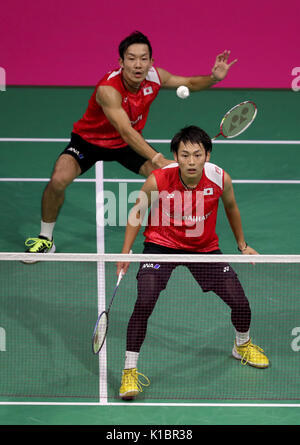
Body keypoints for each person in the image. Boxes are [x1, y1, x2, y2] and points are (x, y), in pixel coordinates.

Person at [24, 31, 237, 257]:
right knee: (58, 179)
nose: (138, 65)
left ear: (151, 62)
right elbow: (125, 131)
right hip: (89, 141)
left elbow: (189, 83)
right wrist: (157, 158)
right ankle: (45, 239)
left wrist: (214, 78)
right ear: (121, 62)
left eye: (143, 58)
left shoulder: (155, 77)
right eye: (132, 58)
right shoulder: (108, 89)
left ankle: (171, 235)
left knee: (172, 177)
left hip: (126, 146)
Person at [117, 125, 269, 400]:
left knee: (239, 301)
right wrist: (125, 252)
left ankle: (242, 345)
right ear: (175, 155)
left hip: (203, 248)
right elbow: (137, 212)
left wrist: (242, 245)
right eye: (184, 155)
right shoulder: (158, 179)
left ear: (207, 156)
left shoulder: (220, 178)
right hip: (161, 245)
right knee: (145, 299)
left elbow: (231, 207)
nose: (190, 161)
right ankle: (129, 371)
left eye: (197, 155)